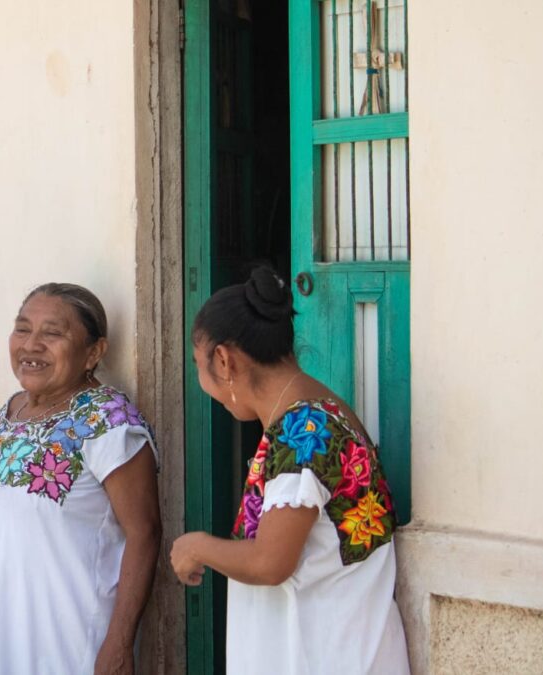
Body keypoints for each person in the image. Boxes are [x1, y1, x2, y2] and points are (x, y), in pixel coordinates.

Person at [169, 266, 409, 675]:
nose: (202, 381)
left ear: (224, 361)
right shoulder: (325, 408)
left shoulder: (300, 434)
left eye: (198, 363)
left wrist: (195, 547)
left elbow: (270, 562)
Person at [0, 283, 161, 675]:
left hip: (63, 650)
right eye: (23, 329)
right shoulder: (6, 416)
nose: (31, 345)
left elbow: (144, 533)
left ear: (94, 352)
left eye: (53, 333)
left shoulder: (109, 422)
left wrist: (120, 642)